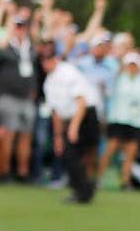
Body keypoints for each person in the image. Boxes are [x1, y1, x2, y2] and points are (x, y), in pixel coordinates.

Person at [40, 44, 102, 203]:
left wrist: (73, 128)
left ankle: (83, 190)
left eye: (49, 59)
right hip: (72, 118)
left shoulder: (68, 72)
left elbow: (81, 102)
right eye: (43, 60)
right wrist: (58, 137)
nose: (46, 63)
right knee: (69, 154)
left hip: (85, 116)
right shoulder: (48, 82)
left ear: (56, 58)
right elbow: (56, 113)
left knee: (73, 154)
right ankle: (83, 188)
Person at [0, 9, 39, 182]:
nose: (20, 29)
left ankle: (22, 172)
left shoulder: (30, 49)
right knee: (8, 135)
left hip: (26, 98)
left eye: (23, 26)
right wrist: (10, 22)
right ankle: (4, 171)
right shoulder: (6, 46)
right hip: (7, 97)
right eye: (17, 26)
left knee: (25, 136)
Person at [97, 51, 140, 190]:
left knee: (131, 153)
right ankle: (98, 178)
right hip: (118, 118)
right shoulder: (118, 77)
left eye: (134, 65)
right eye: (130, 64)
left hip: (136, 121)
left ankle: (125, 182)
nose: (132, 67)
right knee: (110, 149)